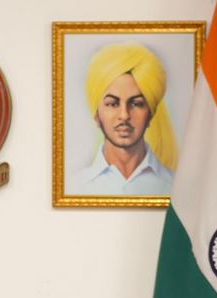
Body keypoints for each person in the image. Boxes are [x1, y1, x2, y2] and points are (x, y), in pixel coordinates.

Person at [68, 42, 177, 196]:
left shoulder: (176, 187)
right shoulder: (74, 187)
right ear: (97, 114)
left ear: (150, 114)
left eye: (136, 104)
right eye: (112, 104)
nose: (124, 115)